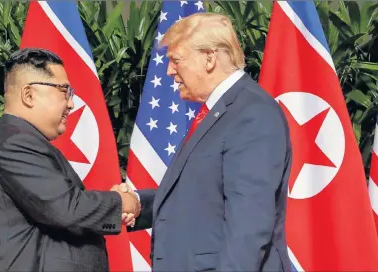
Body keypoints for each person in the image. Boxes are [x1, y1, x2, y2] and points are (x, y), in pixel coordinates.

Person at [118, 12, 292, 271]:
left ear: (210, 58)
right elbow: (202, 193)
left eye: (176, 60)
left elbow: (248, 225)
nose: (169, 70)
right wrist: (138, 204)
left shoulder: (252, 113)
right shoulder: (219, 111)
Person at [0, 48, 140, 272]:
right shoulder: (15, 144)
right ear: (28, 95)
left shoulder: (19, 140)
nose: (71, 103)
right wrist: (121, 202)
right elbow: (66, 209)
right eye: (64, 91)